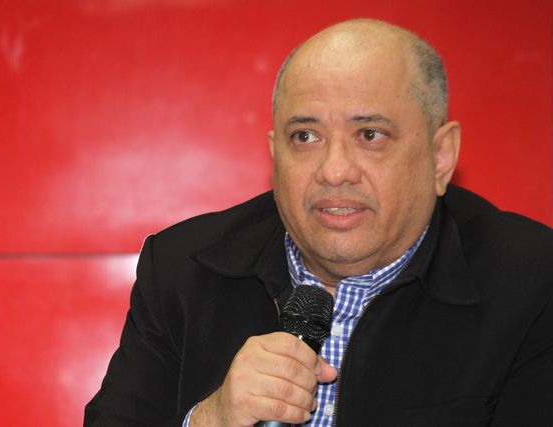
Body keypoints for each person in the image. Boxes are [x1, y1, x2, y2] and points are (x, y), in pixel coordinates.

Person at [84, 19, 553, 426]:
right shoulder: (182, 270)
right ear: (275, 155)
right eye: (305, 137)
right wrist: (211, 420)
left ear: (440, 156)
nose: (334, 171)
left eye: (370, 135)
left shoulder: (532, 283)